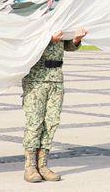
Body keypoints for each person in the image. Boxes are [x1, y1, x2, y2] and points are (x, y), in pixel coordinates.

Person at [22, 29, 85, 183]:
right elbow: (24, 43)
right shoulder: (35, 17)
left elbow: (67, 46)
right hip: (36, 79)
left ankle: (43, 165)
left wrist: (76, 40)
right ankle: (30, 166)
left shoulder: (60, 17)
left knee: (51, 122)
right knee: (35, 123)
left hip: (56, 78)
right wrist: (48, 39)